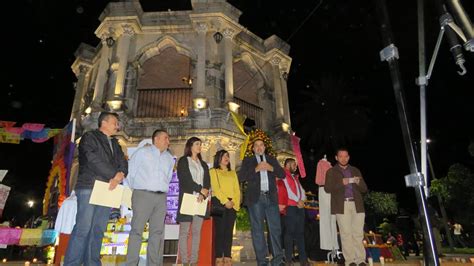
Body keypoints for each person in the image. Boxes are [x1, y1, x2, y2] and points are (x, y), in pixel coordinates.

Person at [64, 112, 128, 266]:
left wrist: (121, 174)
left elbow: (123, 162)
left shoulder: (116, 143)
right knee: (83, 228)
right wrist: (114, 174)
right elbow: (91, 158)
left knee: (98, 229)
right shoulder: (90, 137)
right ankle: (71, 263)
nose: (117, 125)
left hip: (108, 189)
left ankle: (92, 263)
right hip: (89, 186)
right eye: (115, 122)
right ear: (104, 123)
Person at [125, 129, 175, 265]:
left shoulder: (169, 159)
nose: (168, 142)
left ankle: (153, 263)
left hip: (161, 198)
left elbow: (169, 177)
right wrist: (137, 190)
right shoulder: (142, 153)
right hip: (142, 195)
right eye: (166, 138)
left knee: (157, 233)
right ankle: (131, 263)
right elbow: (130, 173)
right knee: (137, 230)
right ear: (156, 139)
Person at [238, 139, 286, 266]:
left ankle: (277, 260)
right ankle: (262, 261)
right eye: (256, 146)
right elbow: (241, 176)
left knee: (275, 229)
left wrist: (271, 168)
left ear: (265, 147)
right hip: (256, 199)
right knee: (257, 230)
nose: (259, 147)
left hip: (271, 198)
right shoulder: (248, 160)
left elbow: (282, 174)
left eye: (261, 145)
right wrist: (256, 169)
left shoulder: (271, 159)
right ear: (253, 149)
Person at [325, 148, 368, 266]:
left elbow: (364, 189)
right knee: (346, 234)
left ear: (348, 157)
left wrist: (358, 182)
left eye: (345, 156)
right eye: (341, 156)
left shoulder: (355, 170)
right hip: (342, 206)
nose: (343, 158)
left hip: (357, 205)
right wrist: (341, 183)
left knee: (358, 234)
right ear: (336, 158)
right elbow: (327, 188)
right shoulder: (331, 171)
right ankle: (350, 261)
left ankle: (361, 260)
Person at [177, 137, 210, 265]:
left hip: (201, 199)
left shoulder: (203, 164)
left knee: (197, 232)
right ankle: (185, 261)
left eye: (200, 144)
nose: (199, 146)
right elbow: (185, 179)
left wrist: (204, 192)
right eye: (197, 144)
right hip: (188, 198)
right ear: (190, 145)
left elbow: (207, 180)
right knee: (184, 232)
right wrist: (200, 189)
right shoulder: (184, 161)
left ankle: (194, 261)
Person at [210, 150, 241, 266]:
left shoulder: (233, 173)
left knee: (229, 232)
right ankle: (218, 257)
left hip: (232, 205)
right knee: (220, 231)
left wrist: (234, 203)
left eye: (227, 156)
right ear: (218, 158)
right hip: (218, 203)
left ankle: (227, 256)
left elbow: (237, 190)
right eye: (223, 156)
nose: (226, 158)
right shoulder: (213, 171)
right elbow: (215, 188)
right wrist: (225, 201)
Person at [282, 158, 309, 266]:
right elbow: (287, 190)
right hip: (291, 207)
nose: (296, 166)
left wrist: (302, 200)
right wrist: (298, 201)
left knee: (300, 233)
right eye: (294, 164)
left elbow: (302, 190)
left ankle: (303, 259)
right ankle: (288, 259)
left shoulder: (295, 177)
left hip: (299, 207)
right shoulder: (283, 174)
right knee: (289, 233)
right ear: (288, 164)